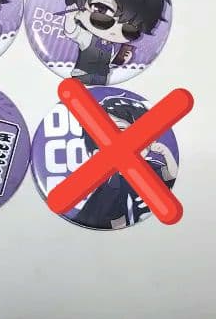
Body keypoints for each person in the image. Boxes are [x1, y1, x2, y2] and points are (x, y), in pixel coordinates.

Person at [59, 0, 168, 85]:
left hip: (102, 79)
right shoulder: (87, 38)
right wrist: (70, 16)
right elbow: (71, 31)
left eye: (130, 28)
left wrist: (120, 59)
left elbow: (107, 62)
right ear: (79, 9)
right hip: (82, 77)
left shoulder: (110, 47)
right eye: (101, 14)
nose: (114, 31)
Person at [73, 96, 178, 229]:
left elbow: (171, 175)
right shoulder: (110, 186)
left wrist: (166, 153)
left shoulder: (151, 168)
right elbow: (112, 221)